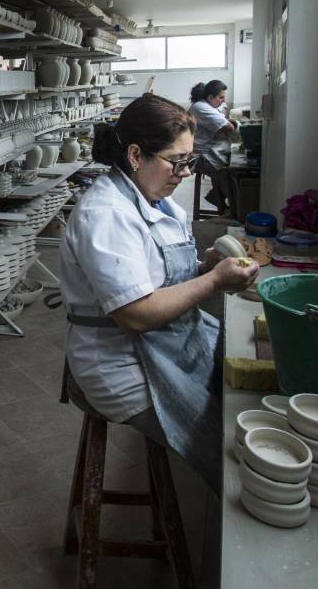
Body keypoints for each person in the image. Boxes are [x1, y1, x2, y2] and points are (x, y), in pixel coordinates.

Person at [59, 93, 257, 491]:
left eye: (190, 160)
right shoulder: (106, 215)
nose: (185, 173)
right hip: (121, 362)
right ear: (136, 155)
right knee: (232, 445)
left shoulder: (156, 200)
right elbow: (135, 314)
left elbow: (154, 276)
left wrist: (201, 268)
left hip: (166, 342)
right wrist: (213, 282)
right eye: (177, 162)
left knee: (242, 389)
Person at [188, 80, 238, 216]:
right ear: (210, 97)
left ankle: (216, 196)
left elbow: (224, 122)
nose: (223, 101)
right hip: (200, 155)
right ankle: (235, 211)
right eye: (221, 97)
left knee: (232, 168)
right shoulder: (200, 107)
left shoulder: (210, 105)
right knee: (228, 175)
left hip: (209, 150)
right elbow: (228, 127)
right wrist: (231, 124)